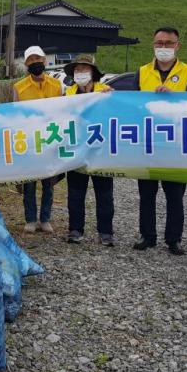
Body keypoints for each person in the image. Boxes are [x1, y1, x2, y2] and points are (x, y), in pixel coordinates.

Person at [133, 27, 187, 256]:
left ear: (177, 45)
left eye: (168, 43)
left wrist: (174, 97)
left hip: (175, 145)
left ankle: (174, 239)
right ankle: (147, 236)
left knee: (175, 196)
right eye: (159, 43)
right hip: (148, 144)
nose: (163, 47)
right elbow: (131, 105)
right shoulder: (142, 72)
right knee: (147, 195)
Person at [62, 54, 115, 246]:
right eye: (77, 70)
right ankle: (75, 229)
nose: (80, 73)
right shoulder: (67, 94)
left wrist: (112, 98)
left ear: (93, 72)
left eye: (84, 69)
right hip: (77, 150)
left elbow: (116, 114)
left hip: (101, 151)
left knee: (104, 194)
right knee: (75, 193)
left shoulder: (106, 91)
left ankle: (106, 232)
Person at [12, 45, 64, 234]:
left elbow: (63, 110)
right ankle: (31, 219)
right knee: (30, 182)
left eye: (38, 59)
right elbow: (15, 115)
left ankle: (45, 218)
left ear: (44, 60)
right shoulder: (19, 87)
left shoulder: (56, 85)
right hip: (29, 141)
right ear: (26, 64)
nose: (35, 63)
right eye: (31, 60)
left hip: (51, 138)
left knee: (49, 182)